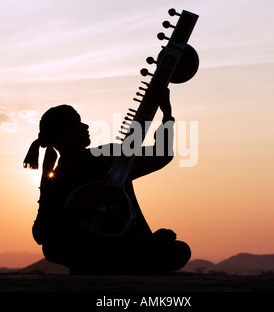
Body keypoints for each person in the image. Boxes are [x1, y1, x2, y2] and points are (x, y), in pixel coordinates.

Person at [23, 86, 191, 275]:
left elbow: (41, 234)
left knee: (177, 250)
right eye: (78, 124)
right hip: (108, 246)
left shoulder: (65, 173)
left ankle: (113, 258)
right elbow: (42, 233)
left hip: (105, 249)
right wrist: (166, 111)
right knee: (174, 250)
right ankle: (127, 256)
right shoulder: (102, 160)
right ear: (65, 135)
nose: (86, 126)